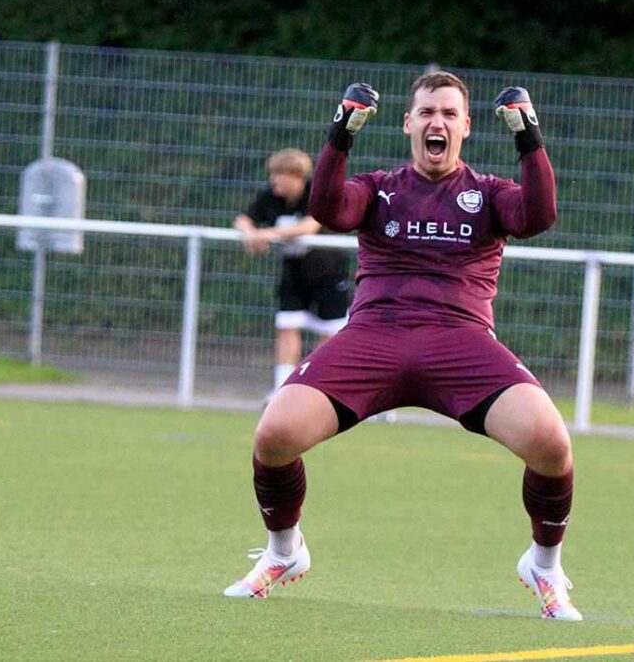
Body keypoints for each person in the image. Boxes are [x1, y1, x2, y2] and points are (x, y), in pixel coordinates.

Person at [224, 72, 582, 620]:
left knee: (551, 444)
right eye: (426, 112)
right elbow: (329, 208)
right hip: (374, 337)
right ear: (408, 123)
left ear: (464, 126)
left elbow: (539, 216)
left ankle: (544, 565)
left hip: (460, 343)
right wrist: (341, 132)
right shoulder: (379, 188)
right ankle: (283, 552)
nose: (436, 121)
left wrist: (528, 136)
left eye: (447, 113)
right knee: (274, 435)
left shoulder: (487, 193)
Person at [232, 148, 351, 400]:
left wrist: (268, 234)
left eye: (279, 175)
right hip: (293, 274)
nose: (274, 181)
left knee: (330, 333)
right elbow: (242, 219)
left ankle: (315, 386)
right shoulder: (271, 196)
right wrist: (250, 233)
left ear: (297, 175)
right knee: (287, 327)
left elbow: (310, 225)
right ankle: (282, 389)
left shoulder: (315, 193)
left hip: (327, 273)